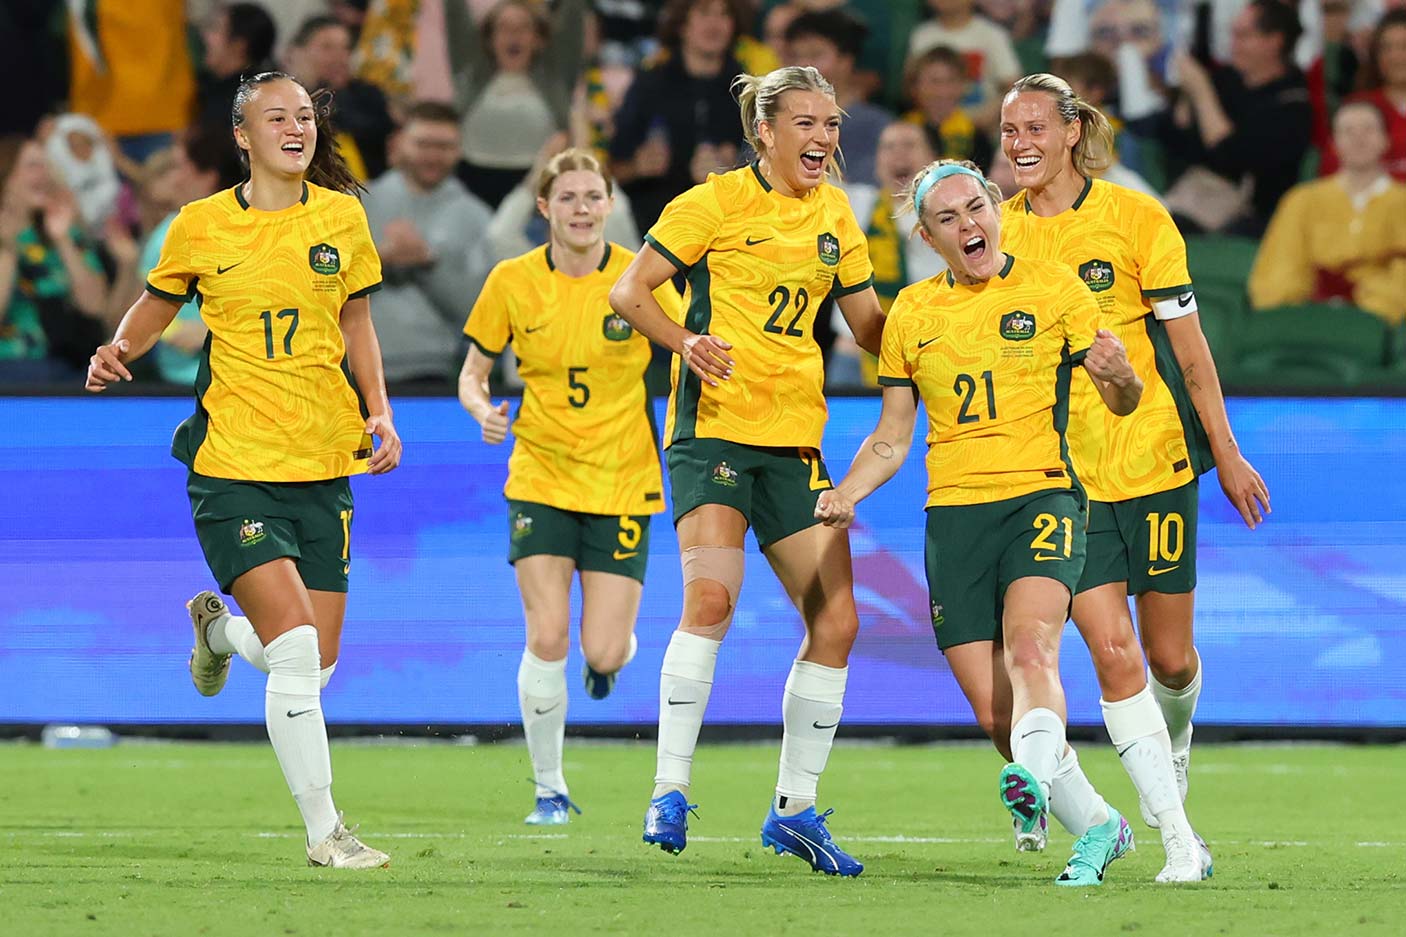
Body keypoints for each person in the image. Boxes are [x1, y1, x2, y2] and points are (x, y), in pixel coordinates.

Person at [83, 71, 402, 869]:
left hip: (323, 461)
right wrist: (121, 347)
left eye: (305, 116)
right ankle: (328, 834)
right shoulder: (199, 225)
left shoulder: (342, 218)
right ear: (242, 135)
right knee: (294, 647)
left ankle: (218, 632)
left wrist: (380, 411)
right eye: (277, 117)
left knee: (315, 663)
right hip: (232, 465)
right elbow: (159, 302)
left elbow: (356, 321)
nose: (296, 128)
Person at [815, 158, 1146, 885]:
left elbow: (1122, 397)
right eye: (949, 218)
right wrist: (848, 492)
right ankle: (1100, 824)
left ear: (996, 207)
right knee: (999, 718)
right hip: (955, 519)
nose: (970, 224)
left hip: (1043, 497)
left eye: (977, 207)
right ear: (929, 237)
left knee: (1033, 648)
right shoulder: (911, 314)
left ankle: (1041, 803)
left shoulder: (1055, 288)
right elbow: (892, 437)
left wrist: (1121, 375)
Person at [609, 65, 886, 876]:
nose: (824, 139)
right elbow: (630, 293)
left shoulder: (838, 213)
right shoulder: (711, 204)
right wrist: (684, 341)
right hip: (716, 435)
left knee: (837, 625)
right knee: (711, 597)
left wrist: (945, 319)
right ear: (764, 131)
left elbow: (869, 327)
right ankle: (668, 788)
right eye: (806, 123)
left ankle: (793, 811)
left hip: (796, 443)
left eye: (832, 124)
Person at [1000, 72, 1270, 879]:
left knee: (1169, 658)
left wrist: (1225, 449)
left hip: (1153, 463)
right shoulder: (997, 233)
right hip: (1064, 481)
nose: (1019, 144)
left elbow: (1190, 352)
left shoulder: (1136, 218)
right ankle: (1177, 836)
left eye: (1035, 129)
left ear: (1073, 131)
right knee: (1112, 649)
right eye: (1009, 131)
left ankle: (1175, 737)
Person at [460, 148, 680, 826]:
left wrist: (682, 429)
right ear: (544, 208)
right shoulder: (512, 279)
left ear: (610, 206)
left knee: (602, 649)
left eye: (593, 196)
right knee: (547, 633)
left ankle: (607, 664)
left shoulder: (641, 278)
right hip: (541, 472)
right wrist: (481, 408)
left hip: (622, 477)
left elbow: (685, 356)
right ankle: (549, 789)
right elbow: (473, 370)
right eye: (569, 197)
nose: (581, 208)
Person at [364, 100, 495, 385]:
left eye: (445, 146)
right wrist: (376, 260)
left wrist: (429, 262)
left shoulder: (477, 217)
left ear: (459, 150)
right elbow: (322, 291)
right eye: (423, 144)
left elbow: (479, 313)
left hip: (437, 372)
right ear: (398, 144)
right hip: (353, 368)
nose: (433, 156)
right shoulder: (355, 204)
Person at [1159, 0, 1312, 235]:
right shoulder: (1227, 80)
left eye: (1243, 36)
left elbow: (1232, 157)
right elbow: (1178, 141)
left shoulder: (1293, 101)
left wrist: (1202, 93)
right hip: (1193, 196)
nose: (1234, 46)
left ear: (1274, 42)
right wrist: (1186, 95)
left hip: (1253, 217)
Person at [1251, 100, 1406, 324]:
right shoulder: (1301, 200)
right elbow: (1280, 266)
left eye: (1368, 129)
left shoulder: (1402, 203)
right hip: (1305, 319)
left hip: (1379, 324)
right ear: (1333, 143)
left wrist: (1371, 309)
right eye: (1348, 131)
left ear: (1385, 140)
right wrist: (1296, 309)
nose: (1358, 139)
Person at [608, 0, 750, 235]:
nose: (714, 23)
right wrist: (637, 167)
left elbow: (770, 174)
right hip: (652, 224)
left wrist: (733, 172)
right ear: (682, 24)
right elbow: (613, 170)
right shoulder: (649, 85)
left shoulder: (749, 92)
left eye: (724, 14)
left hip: (727, 227)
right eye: (704, 12)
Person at [444, 0, 590, 207]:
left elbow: (573, 11)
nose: (514, 35)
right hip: (471, 183)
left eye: (523, 28)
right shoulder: (472, 73)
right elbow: (454, 13)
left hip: (536, 187)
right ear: (489, 39)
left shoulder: (554, 77)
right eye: (503, 28)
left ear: (538, 38)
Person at [783, 8, 893, 186]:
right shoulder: (774, 122)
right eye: (795, 56)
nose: (803, 66)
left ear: (846, 61)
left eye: (815, 55)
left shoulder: (878, 127)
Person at [285, 15, 396, 179]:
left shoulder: (367, 96)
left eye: (345, 48)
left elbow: (372, 134)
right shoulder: (277, 94)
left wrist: (334, 92)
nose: (339, 57)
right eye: (327, 48)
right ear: (297, 53)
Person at [1321, 10, 1406, 181]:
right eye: (1386, 48)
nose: (1395, 56)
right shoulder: (1356, 108)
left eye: (1405, 46)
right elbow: (1331, 171)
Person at [197, 3, 279, 135]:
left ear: (239, 45)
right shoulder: (203, 83)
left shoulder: (247, 104)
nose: (204, 35)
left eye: (215, 29)